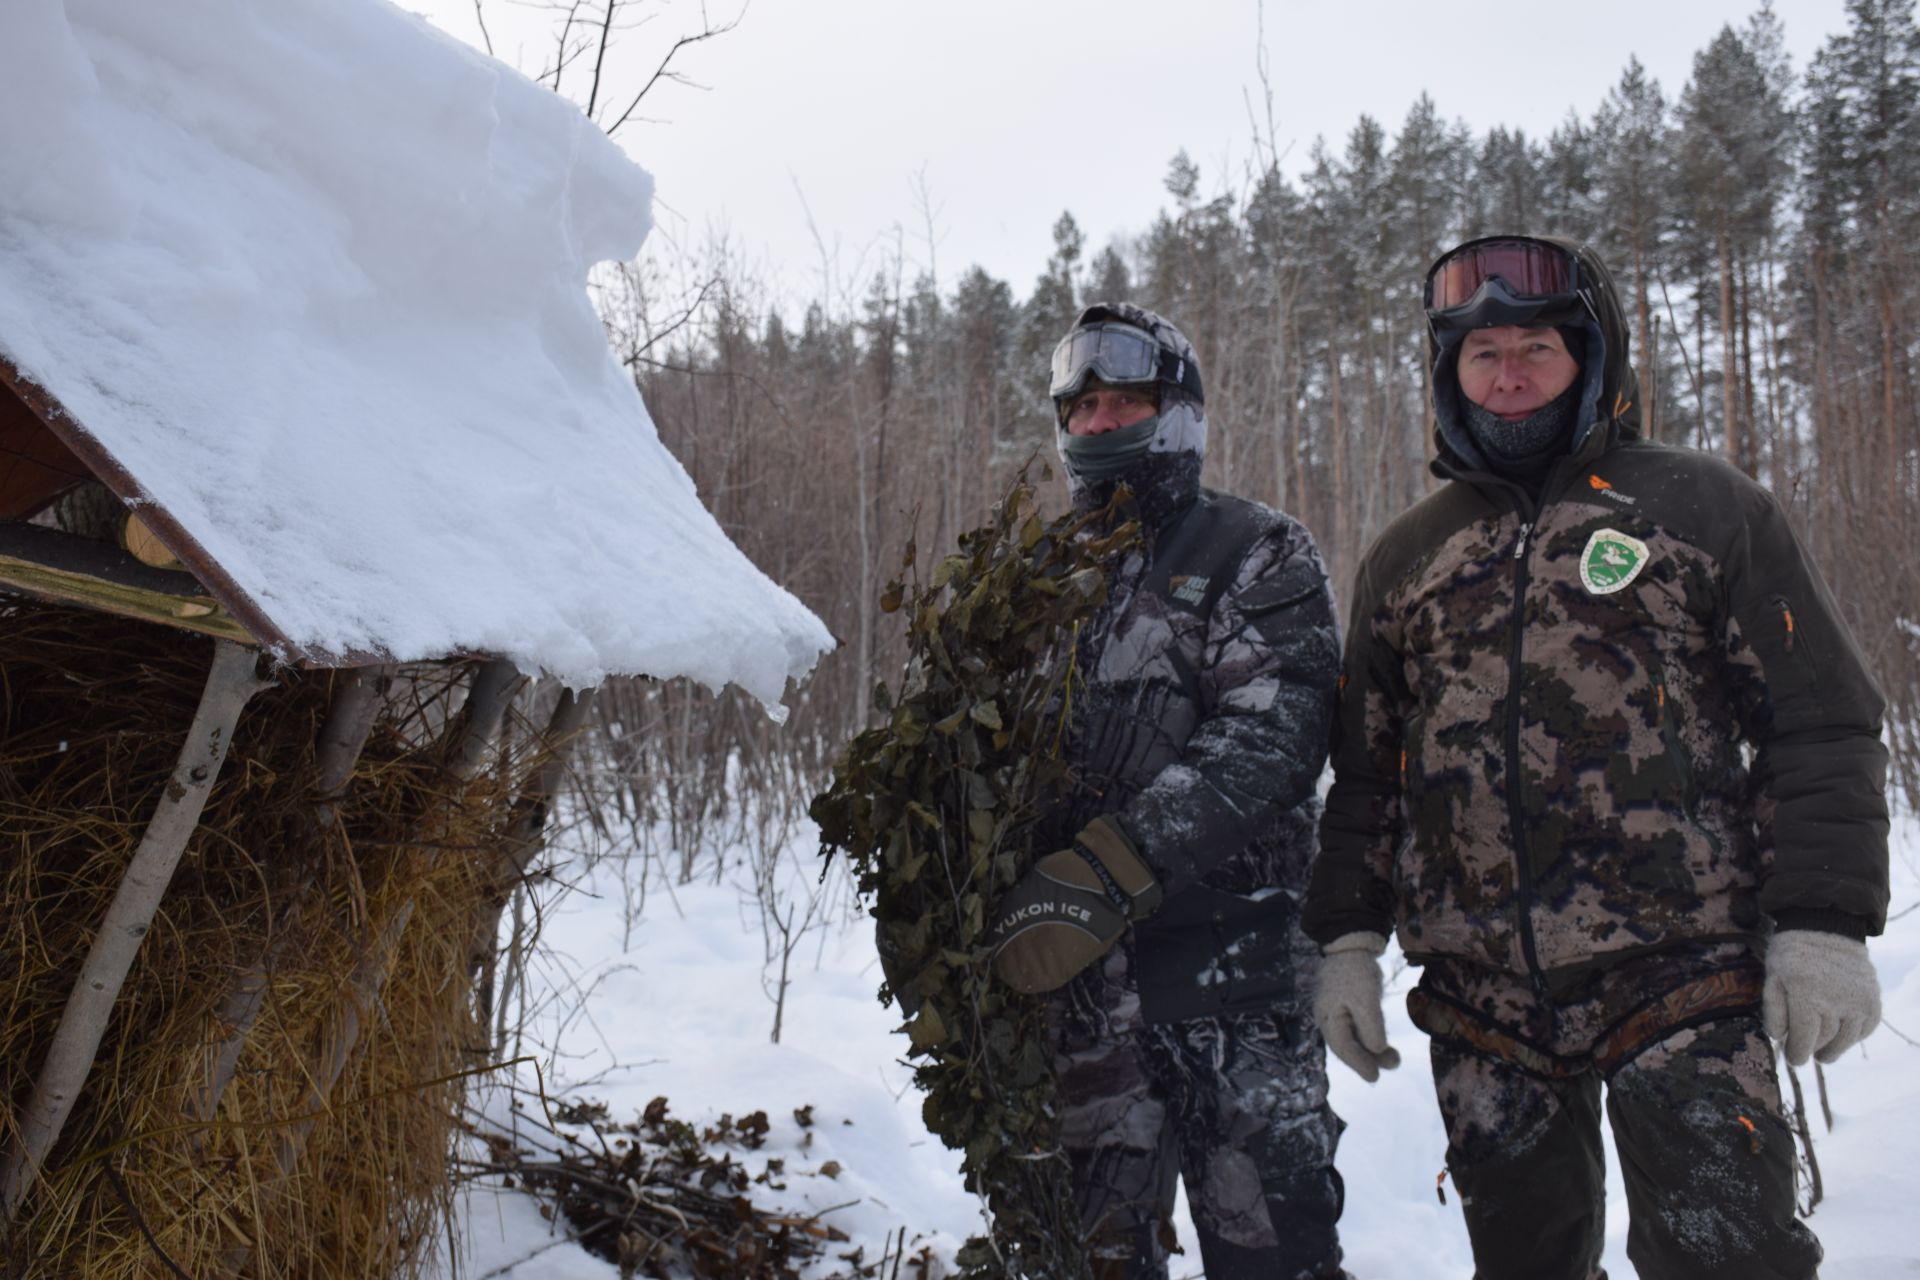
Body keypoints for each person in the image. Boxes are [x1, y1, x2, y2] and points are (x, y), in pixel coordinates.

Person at [1303, 234, 1890, 1280]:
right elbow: (1367, 773)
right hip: (1485, 1000)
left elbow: (1821, 719)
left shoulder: (1702, 509)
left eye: (1534, 345)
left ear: (1592, 356)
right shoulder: (1407, 554)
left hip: (1684, 974)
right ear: (1450, 374)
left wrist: (1823, 922)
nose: (1508, 373)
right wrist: (1346, 934)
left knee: (1730, 1258)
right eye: (1481, 355)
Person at [986, 303, 1349, 1280]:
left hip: (1241, 984)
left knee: (1276, 1254)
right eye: (1084, 404)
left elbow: (1274, 735)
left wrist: (1109, 868)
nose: (1102, 422)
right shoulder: (1032, 581)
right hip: (1082, 1009)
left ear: (1176, 408)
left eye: (1128, 399)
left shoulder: (1256, 549)